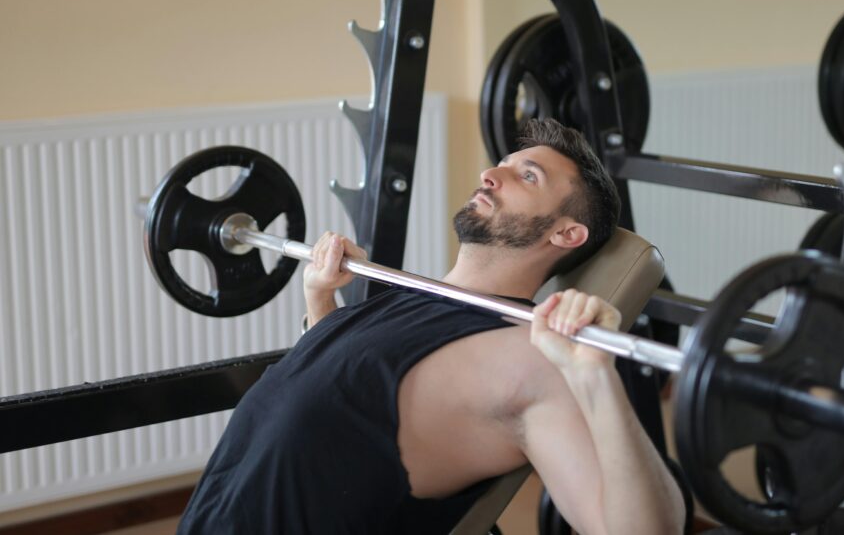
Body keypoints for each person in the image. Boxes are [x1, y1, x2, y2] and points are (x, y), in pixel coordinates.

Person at [177, 118, 686, 534]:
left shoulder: (525, 358)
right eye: (503, 164)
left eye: (527, 176)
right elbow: (340, 406)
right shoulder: (406, 300)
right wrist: (321, 298)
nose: (491, 174)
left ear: (566, 232)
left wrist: (596, 376)